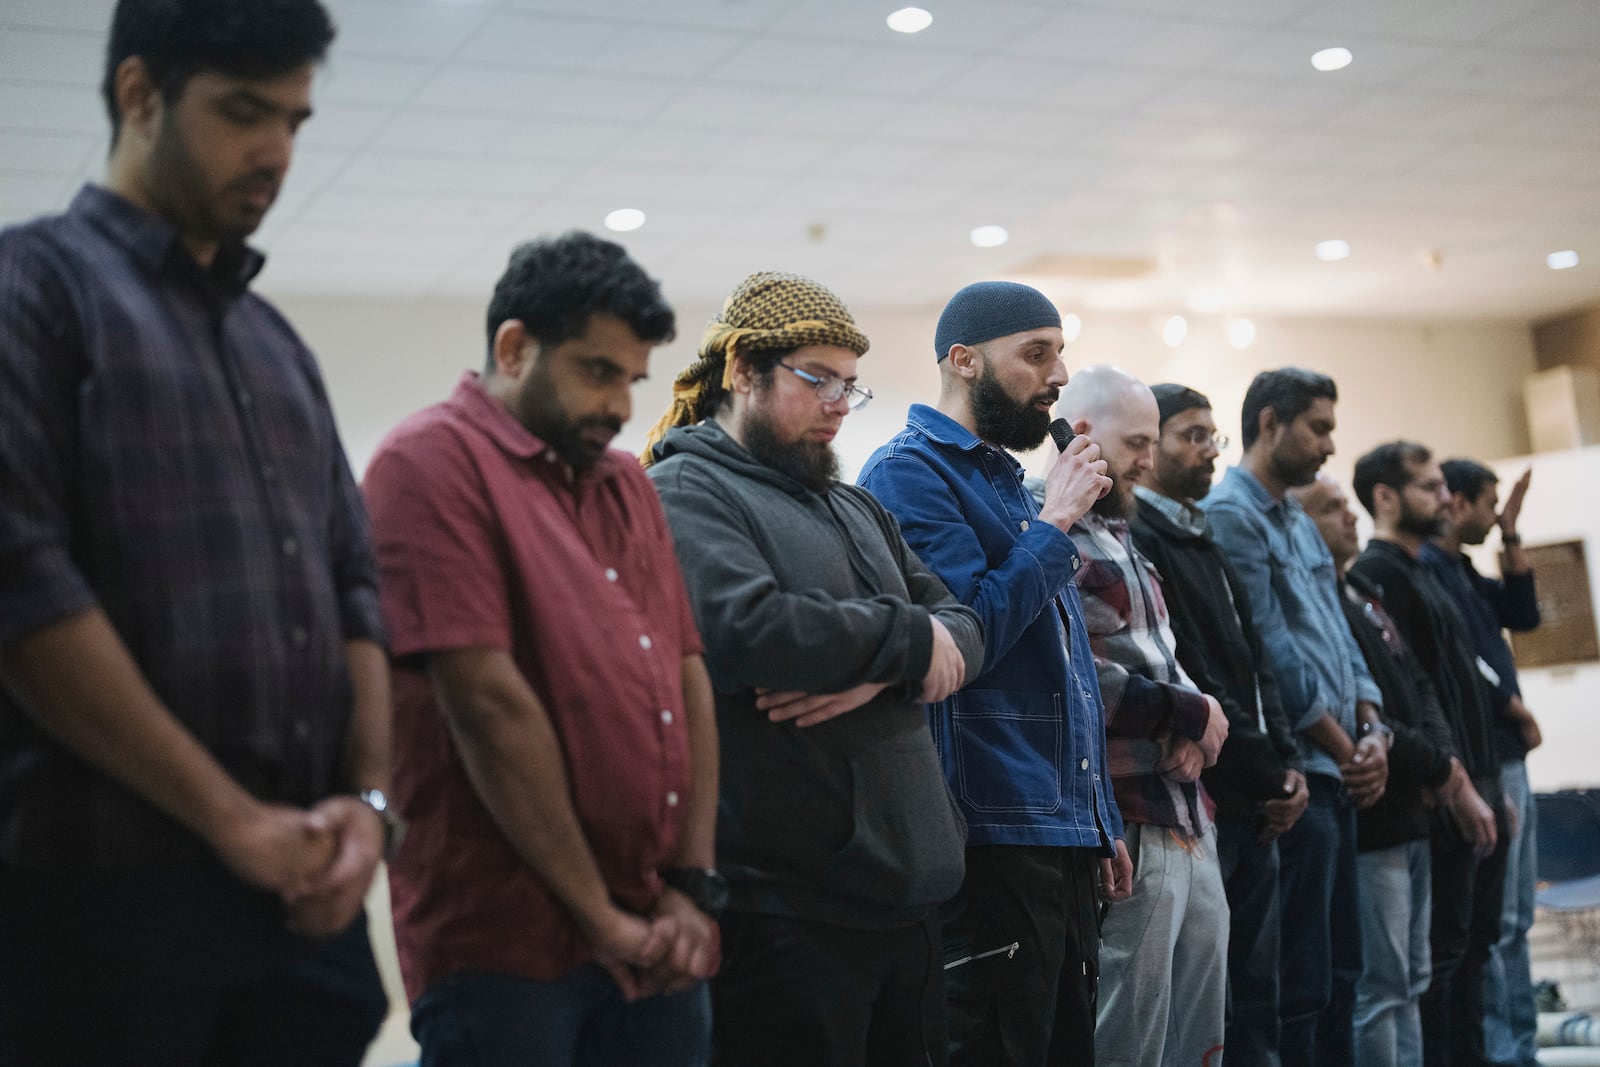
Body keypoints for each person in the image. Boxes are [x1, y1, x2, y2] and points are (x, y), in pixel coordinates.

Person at [0, 1, 393, 1062]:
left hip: (306, 911)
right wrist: (229, 817)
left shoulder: (275, 344)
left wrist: (366, 802)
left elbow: (357, 585)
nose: (274, 152)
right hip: (105, 911)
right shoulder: (31, 288)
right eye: (242, 111)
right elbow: (22, 586)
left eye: (296, 121)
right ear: (139, 94)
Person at [363, 233, 719, 1066]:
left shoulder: (623, 480)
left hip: (656, 930)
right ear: (515, 348)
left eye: (632, 380)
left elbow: (685, 671)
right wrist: (602, 916)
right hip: (506, 944)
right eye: (598, 372)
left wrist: (691, 886)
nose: (624, 407)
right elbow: (486, 703)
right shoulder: (428, 463)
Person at [643, 271, 983, 1067]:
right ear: (741, 372)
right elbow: (750, 627)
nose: (838, 401)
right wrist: (906, 645)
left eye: (850, 386)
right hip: (790, 913)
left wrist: (880, 668)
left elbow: (963, 623)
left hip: (911, 903)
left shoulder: (852, 504)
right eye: (816, 378)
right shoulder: (683, 489)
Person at [858, 280, 1128, 1066]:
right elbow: (964, 640)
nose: (1056, 375)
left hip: (1057, 826)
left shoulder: (1005, 479)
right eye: (1035, 354)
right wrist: (1056, 524)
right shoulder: (909, 475)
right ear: (964, 360)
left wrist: (1096, 813)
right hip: (990, 830)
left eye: (1060, 354)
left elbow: (1067, 667)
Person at [1200, 368, 1386, 1067]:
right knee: (1297, 986)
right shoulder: (1233, 514)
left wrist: (1373, 730)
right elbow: (1269, 652)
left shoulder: (1294, 517)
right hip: (1303, 773)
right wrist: (1343, 747)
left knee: (1342, 976)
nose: (1330, 445)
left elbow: (1339, 635)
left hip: (1339, 766)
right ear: (1271, 422)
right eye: (1319, 427)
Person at [1047, 366, 1231, 1067]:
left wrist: (1198, 720)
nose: (1149, 461)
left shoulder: (1125, 534)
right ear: (1083, 435)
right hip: (1127, 814)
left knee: (1200, 1025)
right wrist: (1183, 714)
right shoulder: (1048, 524)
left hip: (1188, 808)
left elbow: (1164, 657)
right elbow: (1071, 671)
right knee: (1133, 1032)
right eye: (1137, 443)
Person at [1131, 383, 1306, 1067]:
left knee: (1264, 992)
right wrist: (1269, 774)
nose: (1207, 450)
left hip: (1258, 792)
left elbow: (1259, 660)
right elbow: (1194, 672)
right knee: (1214, 1006)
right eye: (1190, 436)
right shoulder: (1146, 535)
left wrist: (1285, 764)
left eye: (1212, 437)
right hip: (1212, 794)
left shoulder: (1201, 530)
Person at [1293, 474, 1469, 1067]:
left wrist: (1436, 758)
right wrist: (1426, 760)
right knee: (1381, 988)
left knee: (1411, 981)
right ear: (1298, 523)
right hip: (1373, 811)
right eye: (1332, 508)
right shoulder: (1315, 602)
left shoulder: (1363, 590)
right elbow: (1343, 700)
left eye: (1349, 504)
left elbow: (1415, 685)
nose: (1351, 516)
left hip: (1408, 804)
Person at [1348, 442, 1506, 1067]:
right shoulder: (1379, 575)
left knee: (1468, 949)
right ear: (1385, 497)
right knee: (1434, 966)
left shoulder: (1422, 571)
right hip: (1432, 794)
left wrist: (1481, 777)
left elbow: (1441, 687)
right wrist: (1453, 780)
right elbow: (1406, 696)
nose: (1445, 498)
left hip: (1465, 776)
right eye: (1429, 487)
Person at [1425, 460, 1542, 1067]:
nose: (1495, 515)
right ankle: (1501, 1050)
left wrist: (1513, 533)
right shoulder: (1429, 570)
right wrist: (1513, 704)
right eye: (1491, 505)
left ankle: (1519, 1047)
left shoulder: (1466, 570)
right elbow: (1461, 660)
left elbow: (1524, 614)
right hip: (1483, 754)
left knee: (1516, 918)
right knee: (1491, 927)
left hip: (1507, 757)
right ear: (1459, 502)